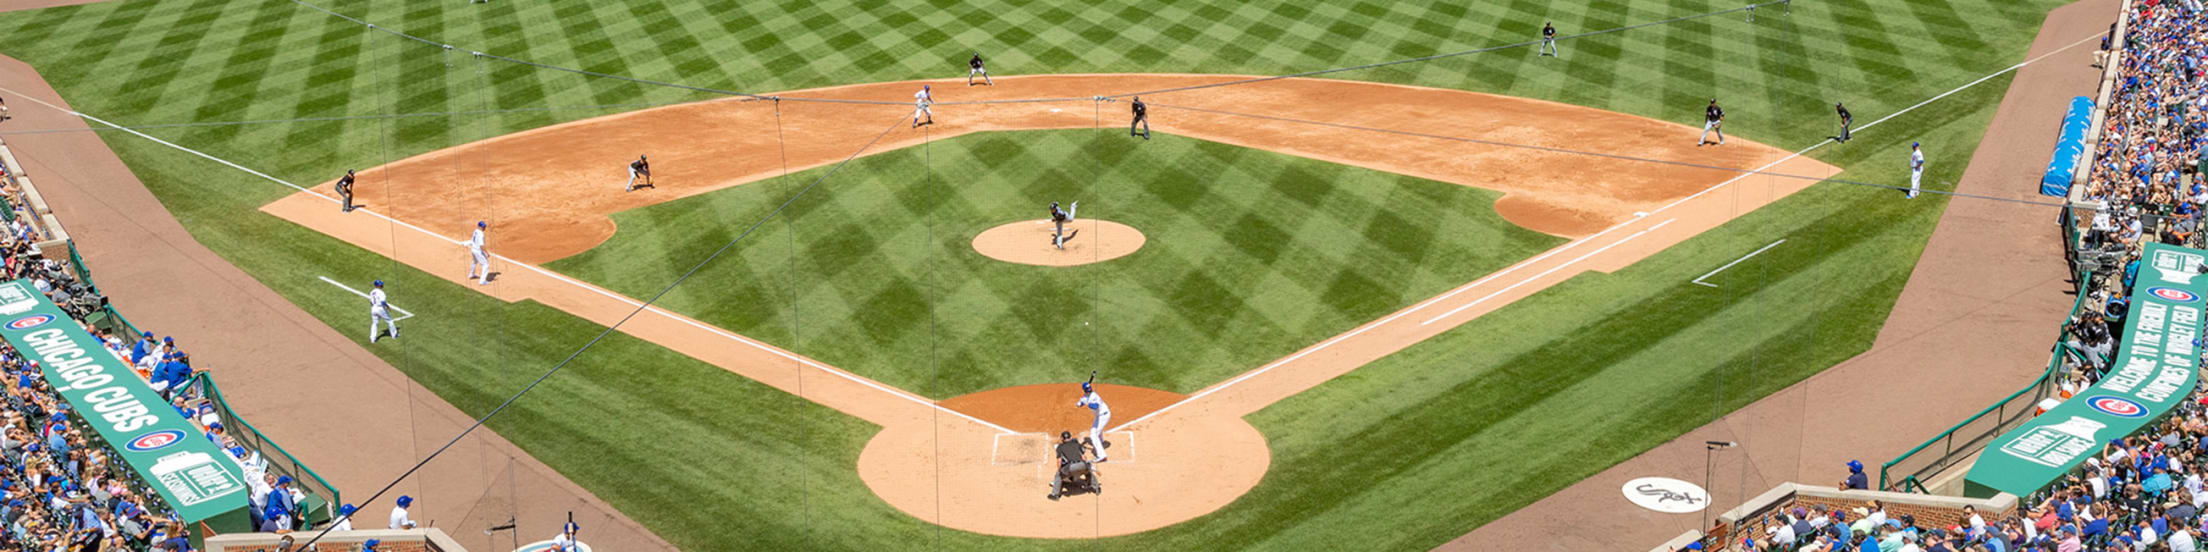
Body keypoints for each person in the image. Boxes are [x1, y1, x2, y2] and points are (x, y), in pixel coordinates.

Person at [1046, 431, 1093, 501]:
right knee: (1088, 472)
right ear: (1070, 437)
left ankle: (1055, 495)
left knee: (1058, 476)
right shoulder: (1077, 445)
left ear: (1062, 439)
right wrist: (1087, 467)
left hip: (1070, 472)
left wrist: (1059, 471)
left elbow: (1059, 462)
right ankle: (1091, 486)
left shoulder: (1060, 447)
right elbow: (1084, 458)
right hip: (1081, 468)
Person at [1076, 382, 1112, 462]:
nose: (1089, 391)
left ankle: (1102, 456)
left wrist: (1089, 404)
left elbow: (1096, 406)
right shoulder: (1086, 396)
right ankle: (1101, 441)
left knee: (1093, 434)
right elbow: (1082, 402)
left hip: (1103, 416)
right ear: (1085, 390)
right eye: (1088, 390)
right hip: (1099, 416)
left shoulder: (1094, 396)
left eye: (1090, 390)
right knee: (1096, 430)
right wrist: (1080, 403)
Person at [466, 221, 490, 285]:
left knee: (474, 262)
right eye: (483, 227)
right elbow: (481, 246)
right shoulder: (481, 234)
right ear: (479, 226)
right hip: (478, 251)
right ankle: (482, 281)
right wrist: (487, 253)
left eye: (484, 226)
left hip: (473, 249)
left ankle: (471, 274)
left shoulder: (476, 231)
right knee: (486, 265)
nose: (484, 228)